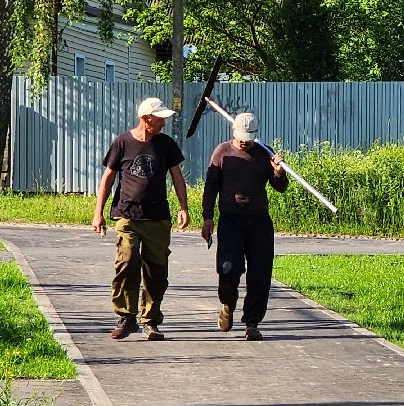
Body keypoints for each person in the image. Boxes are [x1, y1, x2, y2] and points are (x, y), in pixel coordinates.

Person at [92, 97, 190, 341]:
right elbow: (107, 178)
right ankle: (126, 317)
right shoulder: (123, 143)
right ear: (146, 119)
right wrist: (98, 213)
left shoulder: (166, 144)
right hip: (127, 215)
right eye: (159, 119)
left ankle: (151, 320)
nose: (164, 123)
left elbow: (177, 177)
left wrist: (183, 207)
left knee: (156, 271)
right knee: (126, 263)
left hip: (157, 218)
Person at [201, 112, 288, 341]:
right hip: (231, 221)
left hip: (259, 222)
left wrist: (278, 172)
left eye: (248, 138)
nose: (244, 142)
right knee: (228, 268)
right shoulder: (222, 152)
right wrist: (207, 218)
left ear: (255, 135)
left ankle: (252, 323)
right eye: (241, 138)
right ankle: (228, 304)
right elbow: (210, 187)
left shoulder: (265, 153)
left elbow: (280, 187)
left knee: (260, 273)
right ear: (234, 131)